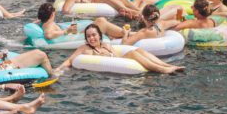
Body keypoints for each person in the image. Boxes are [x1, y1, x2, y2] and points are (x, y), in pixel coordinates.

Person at [54, 24, 184, 75]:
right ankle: (162, 69)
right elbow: (70, 60)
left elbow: (118, 51)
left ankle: (167, 65)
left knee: (138, 50)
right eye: (88, 36)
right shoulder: (84, 48)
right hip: (117, 64)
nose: (91, 38)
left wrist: (125, 34)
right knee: (133, 53)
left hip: (118, 60)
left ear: (99, 35)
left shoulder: (106, 45)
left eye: (94, 35)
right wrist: (57, 70)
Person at [94, 4, 177, 43]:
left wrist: (126, 33)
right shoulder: (162, 24)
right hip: (138, 31)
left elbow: (124, 44)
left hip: (130, 33)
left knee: (101, 21)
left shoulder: (144, 32)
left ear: (144, 18)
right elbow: (176, 21)